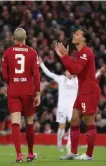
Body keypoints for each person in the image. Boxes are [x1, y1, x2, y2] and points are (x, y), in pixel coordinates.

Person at [55, 29, 100, 160]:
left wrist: (64, 56)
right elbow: (74, 69)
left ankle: (89, 154)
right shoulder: (79, 53)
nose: (74, 35)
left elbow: (75, 70)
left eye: (78, 34)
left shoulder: (87, 52)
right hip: (82, 92)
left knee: (89, 123)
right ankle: (73, 152)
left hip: (90, 92)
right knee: (74, 119)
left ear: (84, 39)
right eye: (74, 33)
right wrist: (65, 56)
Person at [1, 28, 40, 163]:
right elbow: (36, 74)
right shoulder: (33, 53)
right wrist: (38, 92)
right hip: (28, 91)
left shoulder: (7, 53)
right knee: (29, 122)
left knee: (15, 122)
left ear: (13, 38)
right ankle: (30, 153)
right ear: (26, 37)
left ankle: (19, 155)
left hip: (13, 90)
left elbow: (4, 74)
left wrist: (12, 81)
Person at [39, 57, 78, 153]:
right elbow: (49, 74)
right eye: (68, 71)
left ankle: (69, 144)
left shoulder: (77, 80)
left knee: (73, 124)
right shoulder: (61, 79)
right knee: (62, 126)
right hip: (61, 107)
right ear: (65, 72)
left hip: (72, 107)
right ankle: (59, 142)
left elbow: (89, 78)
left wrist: (99, 73)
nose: (69, 72)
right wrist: (41, 64)